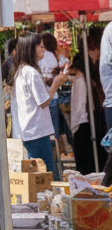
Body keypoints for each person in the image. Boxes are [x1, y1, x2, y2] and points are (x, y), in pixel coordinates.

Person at [9, 34, 69, 173]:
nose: (44, 49)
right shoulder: (31, 72)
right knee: (45, 174)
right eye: (40, 46)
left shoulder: (22, 70)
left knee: (37, 174)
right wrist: (56, 84)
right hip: (36, 130)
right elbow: (44, 102)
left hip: (30, 129)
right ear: (32, 48)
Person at [69, 33, 107, 176]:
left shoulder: (95, 66)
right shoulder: (81, 69)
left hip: (95, 117)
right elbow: (80, 104)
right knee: (89, 162)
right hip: (86, 121)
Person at [40, 31, 72, 160]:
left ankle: (52, 161)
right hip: (55, 98)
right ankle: (57, 161)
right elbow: (66, 69)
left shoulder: (43, 56)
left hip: (45, 99)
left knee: (47, 134)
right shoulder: (56, 57)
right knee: (54, 134)